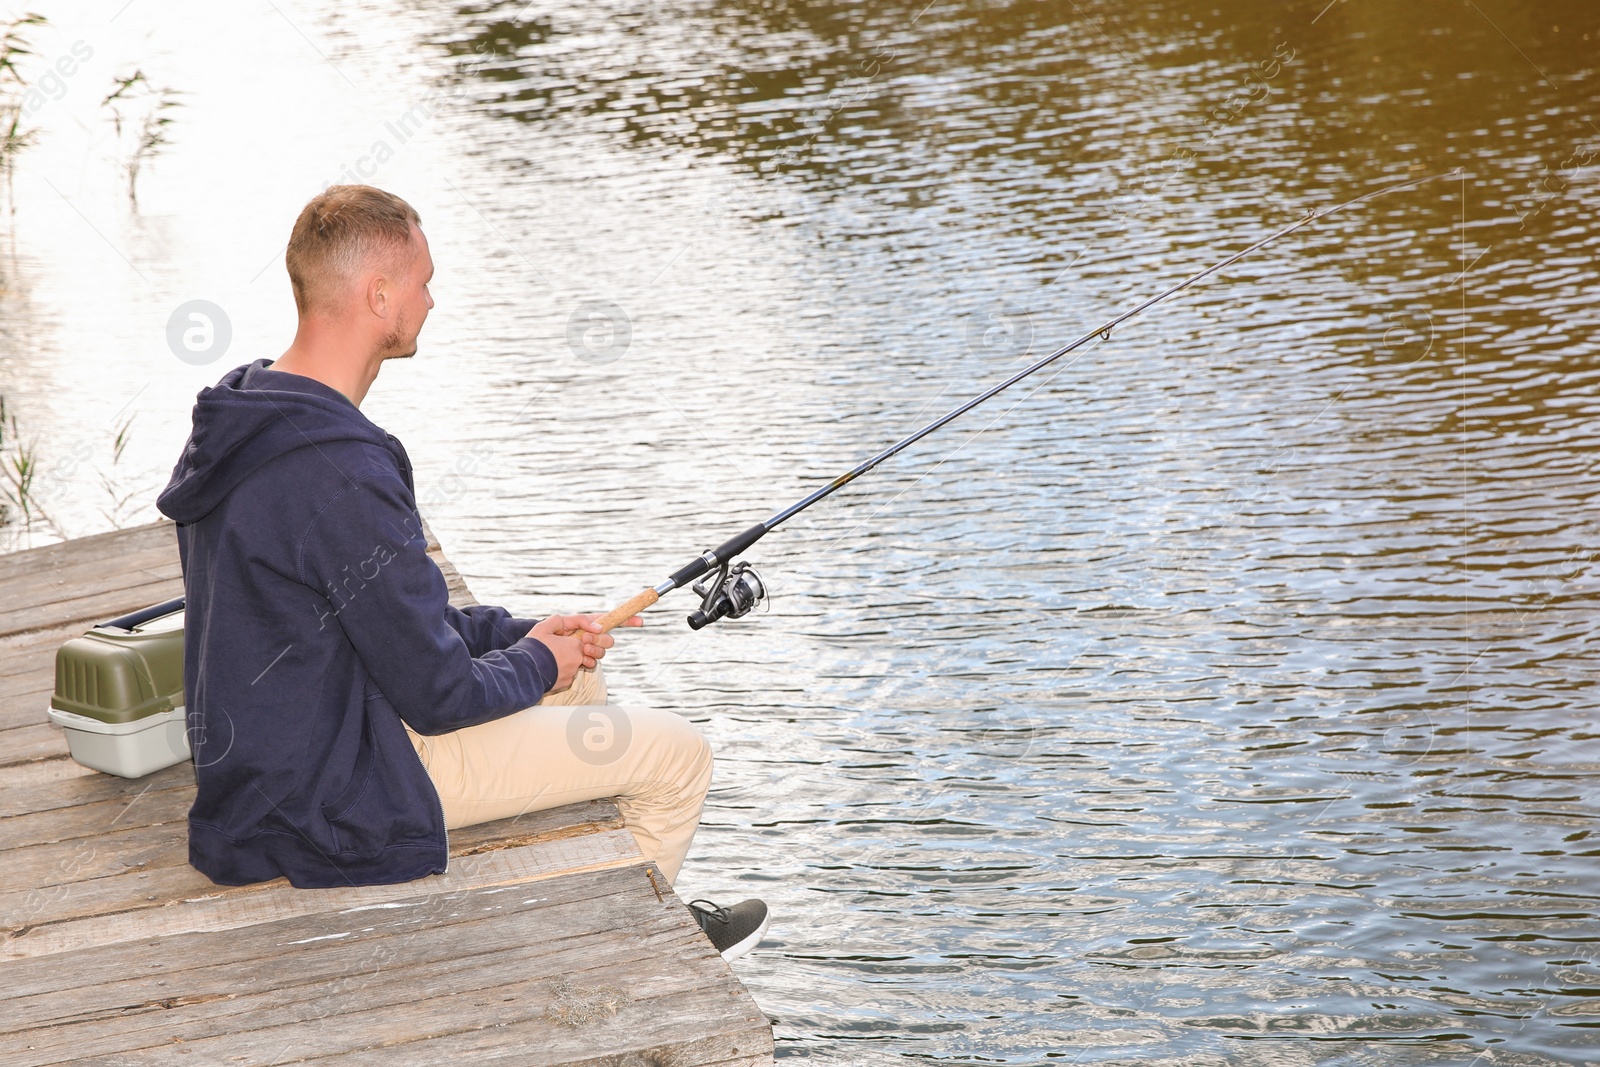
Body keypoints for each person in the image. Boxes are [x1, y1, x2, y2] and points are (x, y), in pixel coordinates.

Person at [156, 184, 768, 961]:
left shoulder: (254, 415)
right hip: (326, 792)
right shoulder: (337, 470)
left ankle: (625, 897)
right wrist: (537, 656)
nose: (433, 300)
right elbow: (439, 694)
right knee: (677, 756)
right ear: (379, 294)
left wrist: (528, 637)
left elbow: (394, 617)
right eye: (423, 281)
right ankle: (639, 958)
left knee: (574, 680)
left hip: (292, 744)